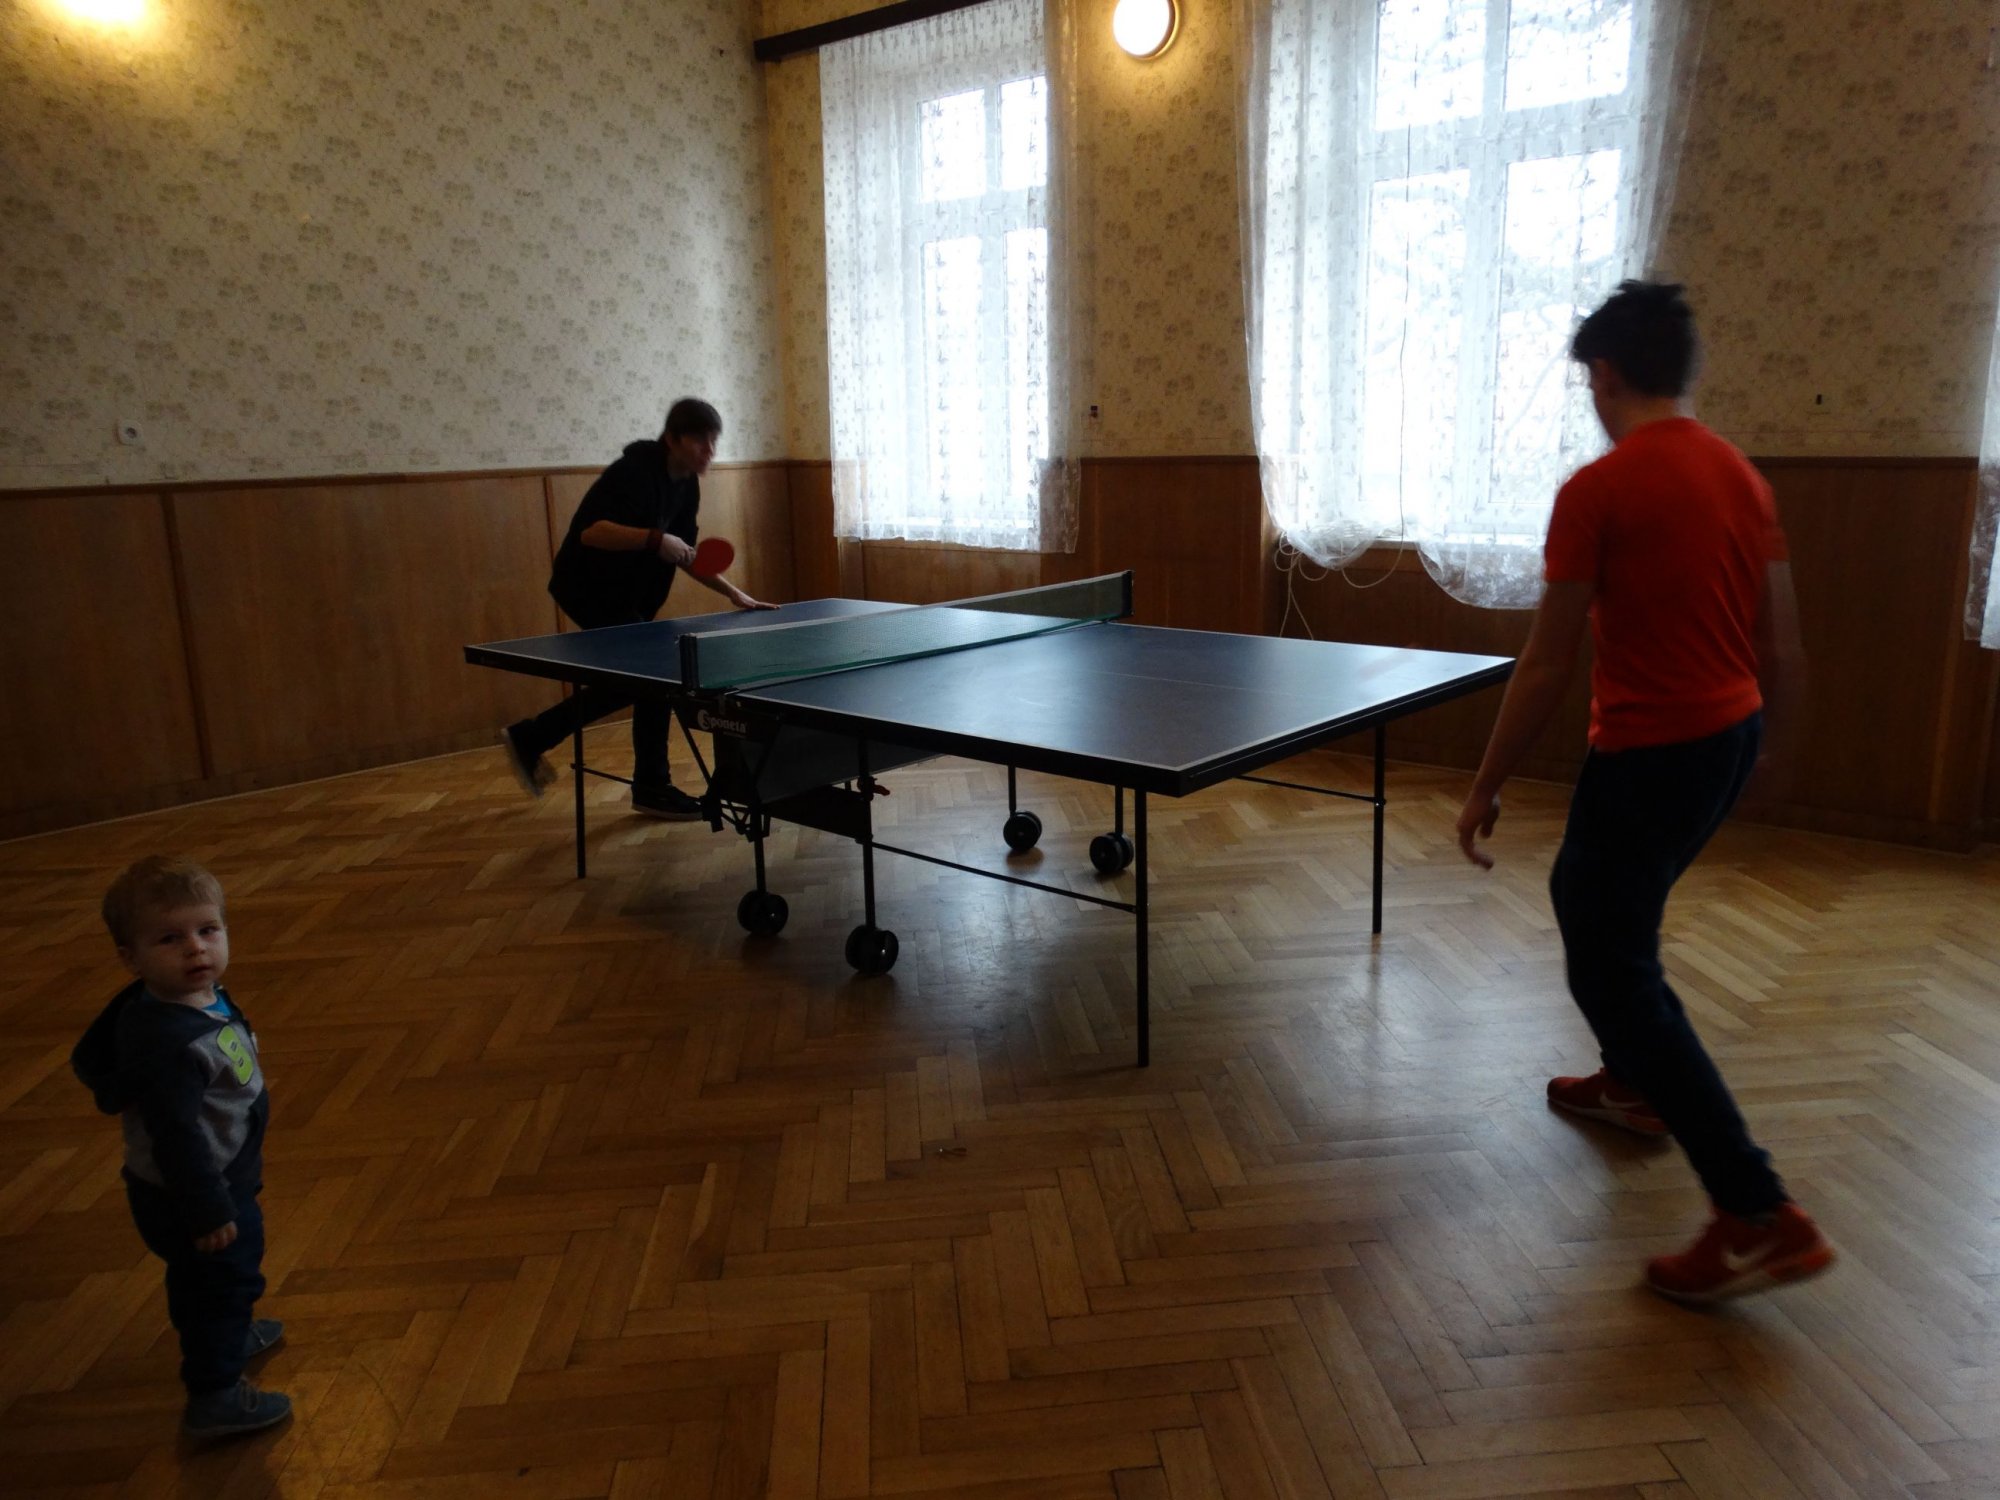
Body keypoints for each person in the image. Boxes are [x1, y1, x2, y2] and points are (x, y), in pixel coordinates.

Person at [1454, 281, 1834, 1305]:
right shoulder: (1741, 476)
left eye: (1589, 378)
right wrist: (1771, 751)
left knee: (1608, 956)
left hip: (1650, 754)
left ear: (1606, 375)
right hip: (1724, 739)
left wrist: (1483, 784)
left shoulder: (1599, 489)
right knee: (1620, 920)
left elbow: (1545, 662)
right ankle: (1630, 1083)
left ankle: (1757, 1211)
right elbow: (1784, 644)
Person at [71, 856, 291, 1438]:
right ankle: (215, 1395)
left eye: (207, 930)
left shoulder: (194, 995)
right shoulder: (165, 1044)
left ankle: (230, 1330)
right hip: (193, 1194)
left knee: (221, 1281)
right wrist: (208, 1209)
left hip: (220, 1175)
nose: (196, 948)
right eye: (170, 939)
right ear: (131, 958)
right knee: (216, 1284)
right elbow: (178, 1138)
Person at [498, 397, 774, 818]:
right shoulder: (633, 472)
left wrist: (733, 593)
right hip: (587, 588)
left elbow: (685, 554)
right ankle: (648, 784)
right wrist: (654, 539)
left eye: (713, 441)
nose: (709, 451)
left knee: (646, 680)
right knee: (654, 675)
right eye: (700, 440)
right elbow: (592, 532)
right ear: (672, 439)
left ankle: (539, 739)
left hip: (630, 596)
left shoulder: (687, 485)